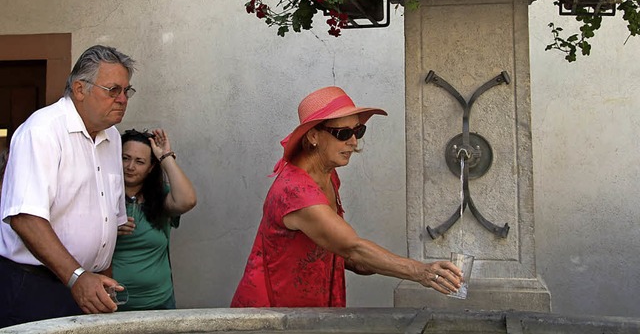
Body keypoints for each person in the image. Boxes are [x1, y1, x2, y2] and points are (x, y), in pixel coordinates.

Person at [231, 86, 463, 307]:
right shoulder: (295, 192)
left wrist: (375, 262)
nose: (353, 141)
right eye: (343, 133)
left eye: (358, 131)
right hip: (271, 316)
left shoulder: (327, 176)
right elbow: (352, 248)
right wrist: (422, 272)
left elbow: (343, 251)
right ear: (313, 136)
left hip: (307, 309)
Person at [0, 45, 135, 327]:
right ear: (79, 89)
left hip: (89, 285)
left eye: (126, 91)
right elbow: (25, 218)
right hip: (35, 286)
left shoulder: (112, 137)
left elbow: (108, 226)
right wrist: (76, 277)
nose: (122, 99)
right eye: (113, 90)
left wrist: (100, 281)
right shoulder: (42, 131)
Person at [112, 128, 196, 310]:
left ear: (151, 167)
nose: (130, 166)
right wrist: (107, 228)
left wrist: (165, 156)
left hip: (158, 305)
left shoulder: (161, 198)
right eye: (125, 158)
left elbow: (187, 200)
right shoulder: (99, 197)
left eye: (140, 161)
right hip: (110, 306)